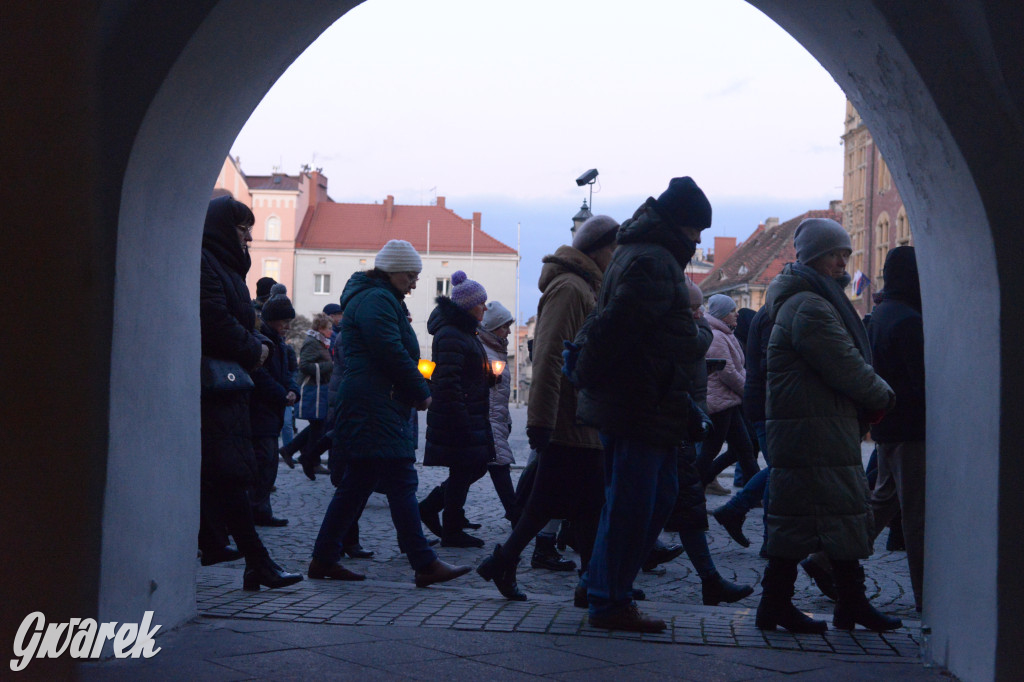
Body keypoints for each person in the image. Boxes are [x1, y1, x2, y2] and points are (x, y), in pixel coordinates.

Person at [573, 177, 714, 632]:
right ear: (681, 224)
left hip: (644, 398)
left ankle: (603, 587)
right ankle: (608, 600)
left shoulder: (644, 254)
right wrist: (695, 338)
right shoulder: (653, 261)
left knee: (650, 499)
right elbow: (623, 328)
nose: (699, 240)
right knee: (635, 505)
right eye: (697, 229)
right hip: (640, 400)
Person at [755, 217, 900, 633]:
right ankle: (821, 603)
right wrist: (884, 395)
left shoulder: (810, 299)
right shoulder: (810, 306)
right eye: (836, 254)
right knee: (824, 515)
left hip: (815, 425)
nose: (843, 263)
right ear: (815, 257)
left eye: (846, 255)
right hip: (812, 429)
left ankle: (825, 603)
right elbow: (847, 366)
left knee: (823, 515)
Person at [309, 239, 471, 587]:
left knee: (358, 483)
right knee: (399, 478)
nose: (415, 283)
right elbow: (390, 352)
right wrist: (420, 390)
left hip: (376, 399)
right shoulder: (376, 299)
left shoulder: (380, 298)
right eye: (412, 275)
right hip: (374, 402)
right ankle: (423, 562)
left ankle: (324, 557)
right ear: (394, 271)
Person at [477, 215, 618, 602]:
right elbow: (550, 355)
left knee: (576, 504)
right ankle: (589, 583)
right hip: (568, 418)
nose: (617, 256)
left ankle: (583, 580)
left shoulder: (586, 287)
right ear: (600, 249)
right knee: (567, 504)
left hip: (581, 417)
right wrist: (540, 420)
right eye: (614, 248)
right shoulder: (571, 289)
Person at [198, 196, 302, 591]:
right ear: (225, 229)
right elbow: (215, 319)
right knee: (228, 475)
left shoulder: (225, 266)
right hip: (216, 387)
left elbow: (235, 318)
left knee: (226, 476)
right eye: (243, 229)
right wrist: (253, 347)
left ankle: (230, 550)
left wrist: (260, 340)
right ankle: (254, 560)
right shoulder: (209, 263)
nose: (249, 237)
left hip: (229, 388)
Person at [661, 279, 755, 606]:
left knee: (685, 500)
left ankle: (710, 578)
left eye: (702, 307)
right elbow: (716, 369)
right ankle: (600, 581)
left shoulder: (707, 332)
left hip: (695, 415)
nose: (700, 313)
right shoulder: (704, 335)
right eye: (694, 308)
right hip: (697, 413)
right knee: (668, 499)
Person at [866, 246, 926, 612]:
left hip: (888, 426)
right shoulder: (908, 320)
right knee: (917, 515)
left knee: (882, 503)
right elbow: (922, 383)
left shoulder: (881, 314)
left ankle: (824, 561)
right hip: (911, 429)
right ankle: (926, 594)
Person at [421, 271, 496, 548]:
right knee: (467, 468)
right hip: (459, 415)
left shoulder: (464, 331)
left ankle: (436, 512)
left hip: (469, 411)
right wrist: (462, 419)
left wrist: (487, 376)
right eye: (481, 303)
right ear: (468, 306)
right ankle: (449, 527)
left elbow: (464, 372)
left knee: (471, 467)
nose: (485, 308)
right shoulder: (452, 334)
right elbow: (449, 382)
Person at [696, 294, 759, 491]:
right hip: (719, 402)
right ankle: (690, 490)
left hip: (728, 401)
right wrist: (748, 392)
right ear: (722, 314)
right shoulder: (716, 336)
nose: (736, 314)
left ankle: (755, 494)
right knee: (711, 451)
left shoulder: (725, 334)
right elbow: (728, 372)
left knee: (744, 449)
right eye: (732, 311)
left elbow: (738, 369)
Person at [249, 283, 299, 527]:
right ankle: (257, 510)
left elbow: (289, 373)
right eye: (284, 322)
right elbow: (261, 377)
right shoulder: (265, 341)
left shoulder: (278, 342)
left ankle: (260, 509)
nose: (287, 327)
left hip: (272, 411)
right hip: (262, 412)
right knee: (264, 462)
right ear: (273, 320)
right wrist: (283, 394)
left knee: (268, 464)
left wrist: (292, 391)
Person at [477, 301, 518, 519]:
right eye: (505, 326)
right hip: (489, 420)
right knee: (498, 465)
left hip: (497, 420)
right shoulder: (487, 351)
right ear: (493, 328)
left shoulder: (497, 350)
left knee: (471, 471)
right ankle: (516, 516)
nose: (509, 331)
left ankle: (430, 507)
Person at [296, 312, 334, 480]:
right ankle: (307, 459)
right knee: (318, 425)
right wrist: (329, 366)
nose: (331, 332)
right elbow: (304, 365)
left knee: (318, 426)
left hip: (320, 389)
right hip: (313, 390)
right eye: (329, 328)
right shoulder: (312, 343)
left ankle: (294, 452)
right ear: (320, 328)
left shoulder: (320, 342)